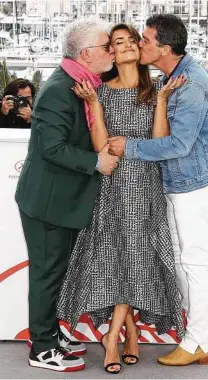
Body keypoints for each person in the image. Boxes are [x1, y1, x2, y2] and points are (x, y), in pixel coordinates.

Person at [57, 23, 185, 374]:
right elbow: (101, 147)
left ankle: (111, 337)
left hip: (145, 189)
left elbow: (159, 143)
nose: (127, 45)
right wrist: (95, 105)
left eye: (131, 40)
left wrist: (160, 100)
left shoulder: (157, 88)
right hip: (112, 188)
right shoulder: (102, 91)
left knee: (137, 260)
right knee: (118, 262)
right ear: (111, 51)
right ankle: (128, 331)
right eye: (119, 42)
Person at [108, 14, 208, 366]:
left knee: (194, 262)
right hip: (180, 184)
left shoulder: (189, 84)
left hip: (192, 185)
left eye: (145, 40)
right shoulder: (174, 77)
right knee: (179, 258)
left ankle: (198, 342)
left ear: (164, 48)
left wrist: (129, 147)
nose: (139, 44)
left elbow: (179, 145)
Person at [15, 18, 119, 372]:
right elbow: (52, 148)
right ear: (87, 54)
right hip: (48, 202)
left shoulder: (80, 82)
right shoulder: (61, 88)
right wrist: (97, 162)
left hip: (60, 200)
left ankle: (47, 334)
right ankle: (42, 348)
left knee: (55, 273)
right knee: (46, 275)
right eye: (108, 47)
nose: (113, 52)